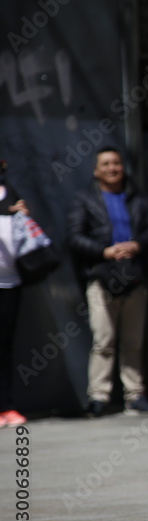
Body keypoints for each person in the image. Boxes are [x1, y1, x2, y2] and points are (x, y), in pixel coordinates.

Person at [67, 146, 148, 417]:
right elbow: (74, 237)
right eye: (106, 164)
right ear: (96, 171)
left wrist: (138, 245)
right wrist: (103, 251)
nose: (112, 168)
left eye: (117, 163)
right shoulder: (84, 200)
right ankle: (98, 396)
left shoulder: (138, 198)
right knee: (103, 339)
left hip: (135, 276)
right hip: (101, 276)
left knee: (134, 340)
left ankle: (135, 395)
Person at [0, 160, 31, 426]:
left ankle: (6, 406)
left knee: (4, 348)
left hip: (10, 282)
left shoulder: (11, 191)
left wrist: (22, 215)